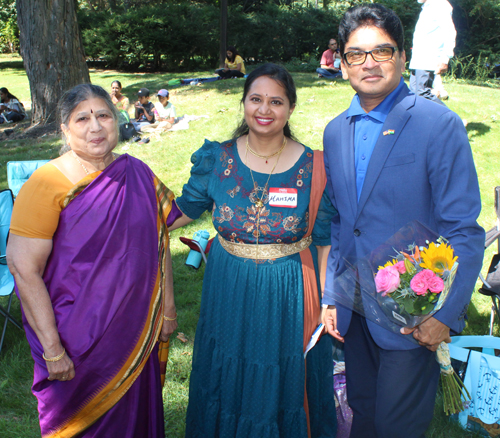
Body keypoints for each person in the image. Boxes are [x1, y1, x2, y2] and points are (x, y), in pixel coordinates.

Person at [322, 4, 484, 438]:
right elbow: (341, 222)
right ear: (342, 64)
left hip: (413, 316)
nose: (369, 62)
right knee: (364, 414)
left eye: (382, 51)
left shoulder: (438, 124)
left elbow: (464, 229)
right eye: (356, 54)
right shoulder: (335, 131)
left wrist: (445, 314)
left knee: (398, 427)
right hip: (355, 310)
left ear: (401, 55)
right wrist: (332, 293)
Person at [6, 84, 181, 437]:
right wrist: (53, 350)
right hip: (74, 337)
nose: (96, 127)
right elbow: (24, 269)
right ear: (64, 129)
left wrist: (168, 309)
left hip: (136, 328)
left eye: (103, 115)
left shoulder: (139, 173)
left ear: (116, 119)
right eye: (82, 118)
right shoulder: (46, 183)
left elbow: (160, 239)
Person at [174, 63, 337, 437]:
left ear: (291, 108)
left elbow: (324, 237)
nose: (265, 110)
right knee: (227, 371)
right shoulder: (217, 159)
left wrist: (328, 300)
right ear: (244, 102)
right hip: (228, 286)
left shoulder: (316, 167)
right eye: (256, 99)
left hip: (290, 291)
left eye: (276, 101)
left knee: (280, 376)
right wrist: (130, 222)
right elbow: (185, 208)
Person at [409, 0, 456, 104]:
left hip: (428, 59)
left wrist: (445, 58)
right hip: (418, 60)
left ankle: (452, 119)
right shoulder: (427, 6)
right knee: (413, 95)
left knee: (422, 93)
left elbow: (449, 32)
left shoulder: (439, 4)